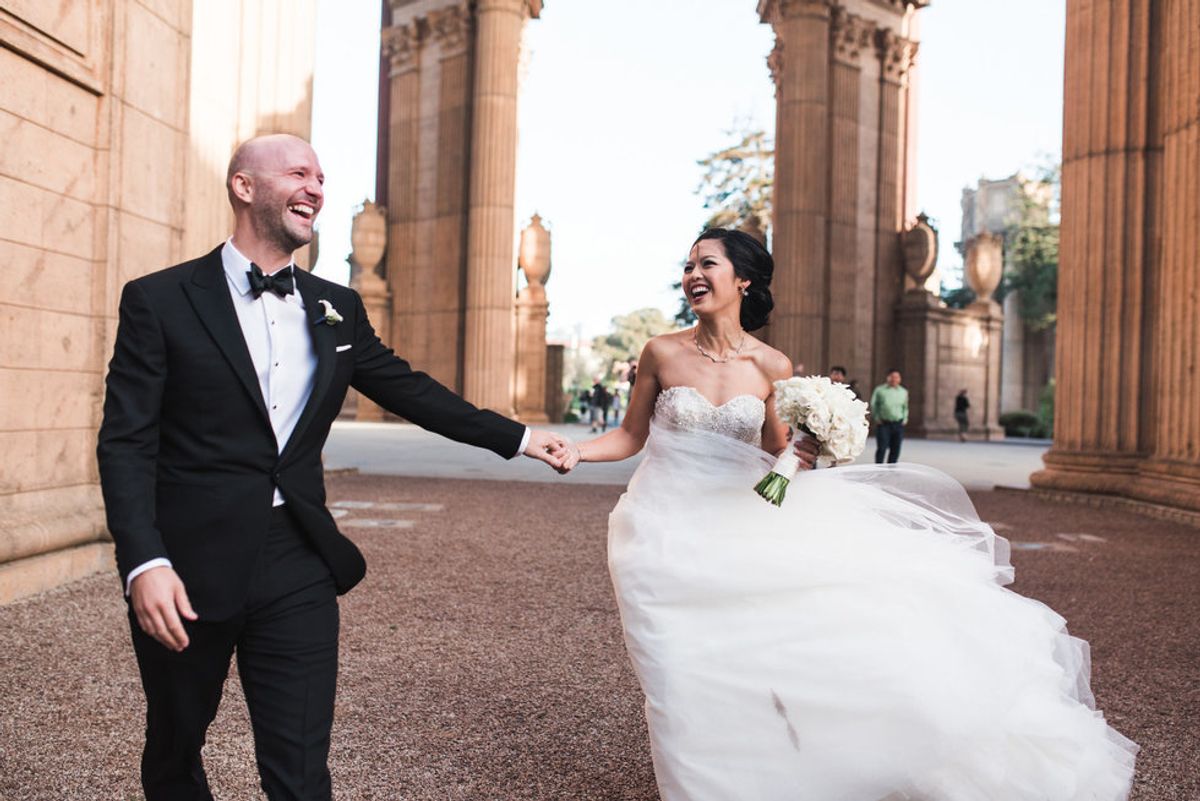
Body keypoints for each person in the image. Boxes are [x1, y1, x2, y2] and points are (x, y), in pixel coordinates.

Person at [557, 227, 1135, 800]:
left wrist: (812, 450)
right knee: (674, 667)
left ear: (744, 279)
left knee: (741, 659)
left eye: (707, 264)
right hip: (659, 527)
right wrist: (578, 450)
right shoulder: (661, 351)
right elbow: (632, 435)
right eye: (687, 266)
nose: (693, 276)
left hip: (739, 527)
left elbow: (777, 458)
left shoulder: (773, 367)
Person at [96, 134, 569, 801]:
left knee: (300, 772)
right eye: (298, 173)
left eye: (322, 177)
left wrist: (517, 436)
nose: (318, 187)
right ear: (244, 187)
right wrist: (144, 561)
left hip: (299, 558)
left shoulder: (337, 305)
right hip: (187, 563)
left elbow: (409, 389)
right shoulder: (159, 300)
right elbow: (126, 441)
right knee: (175, 747)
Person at [871, 368, 908, 463]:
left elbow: (905, 406)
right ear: (887, 378)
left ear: (900, 379)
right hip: (884, 423)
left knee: (895, 449)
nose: (894, 379)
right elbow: (874, 404)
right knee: (882, 448)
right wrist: (877, 418)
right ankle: (878, 468)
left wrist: (905, 418)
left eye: (897, 377)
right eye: (892, 377)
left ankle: (891, 469)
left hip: (898, 424)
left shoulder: (903, 392)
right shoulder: (880, 390)